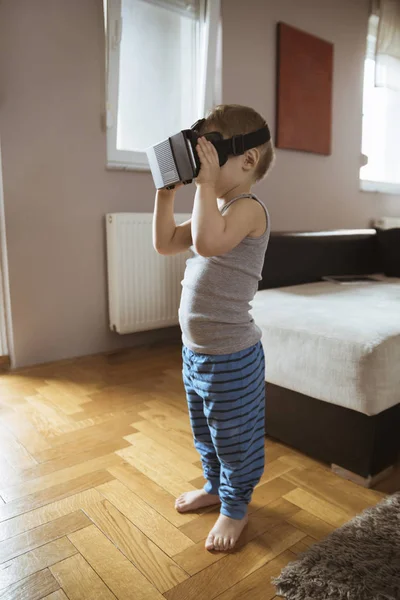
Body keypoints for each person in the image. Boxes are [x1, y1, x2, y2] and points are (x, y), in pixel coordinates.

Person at [153, 104, 274, 552]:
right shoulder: (217, 208)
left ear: (247, 160)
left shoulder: (248, 210)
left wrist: (203, 187)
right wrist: (167, 192)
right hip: (196, 354)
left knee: (233, 437)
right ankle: (214, 485)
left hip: (233, 356)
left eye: (209, 152)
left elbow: (206, 240)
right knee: (205, 431)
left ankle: (235, 506)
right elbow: (166, 243)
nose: (201, 163)